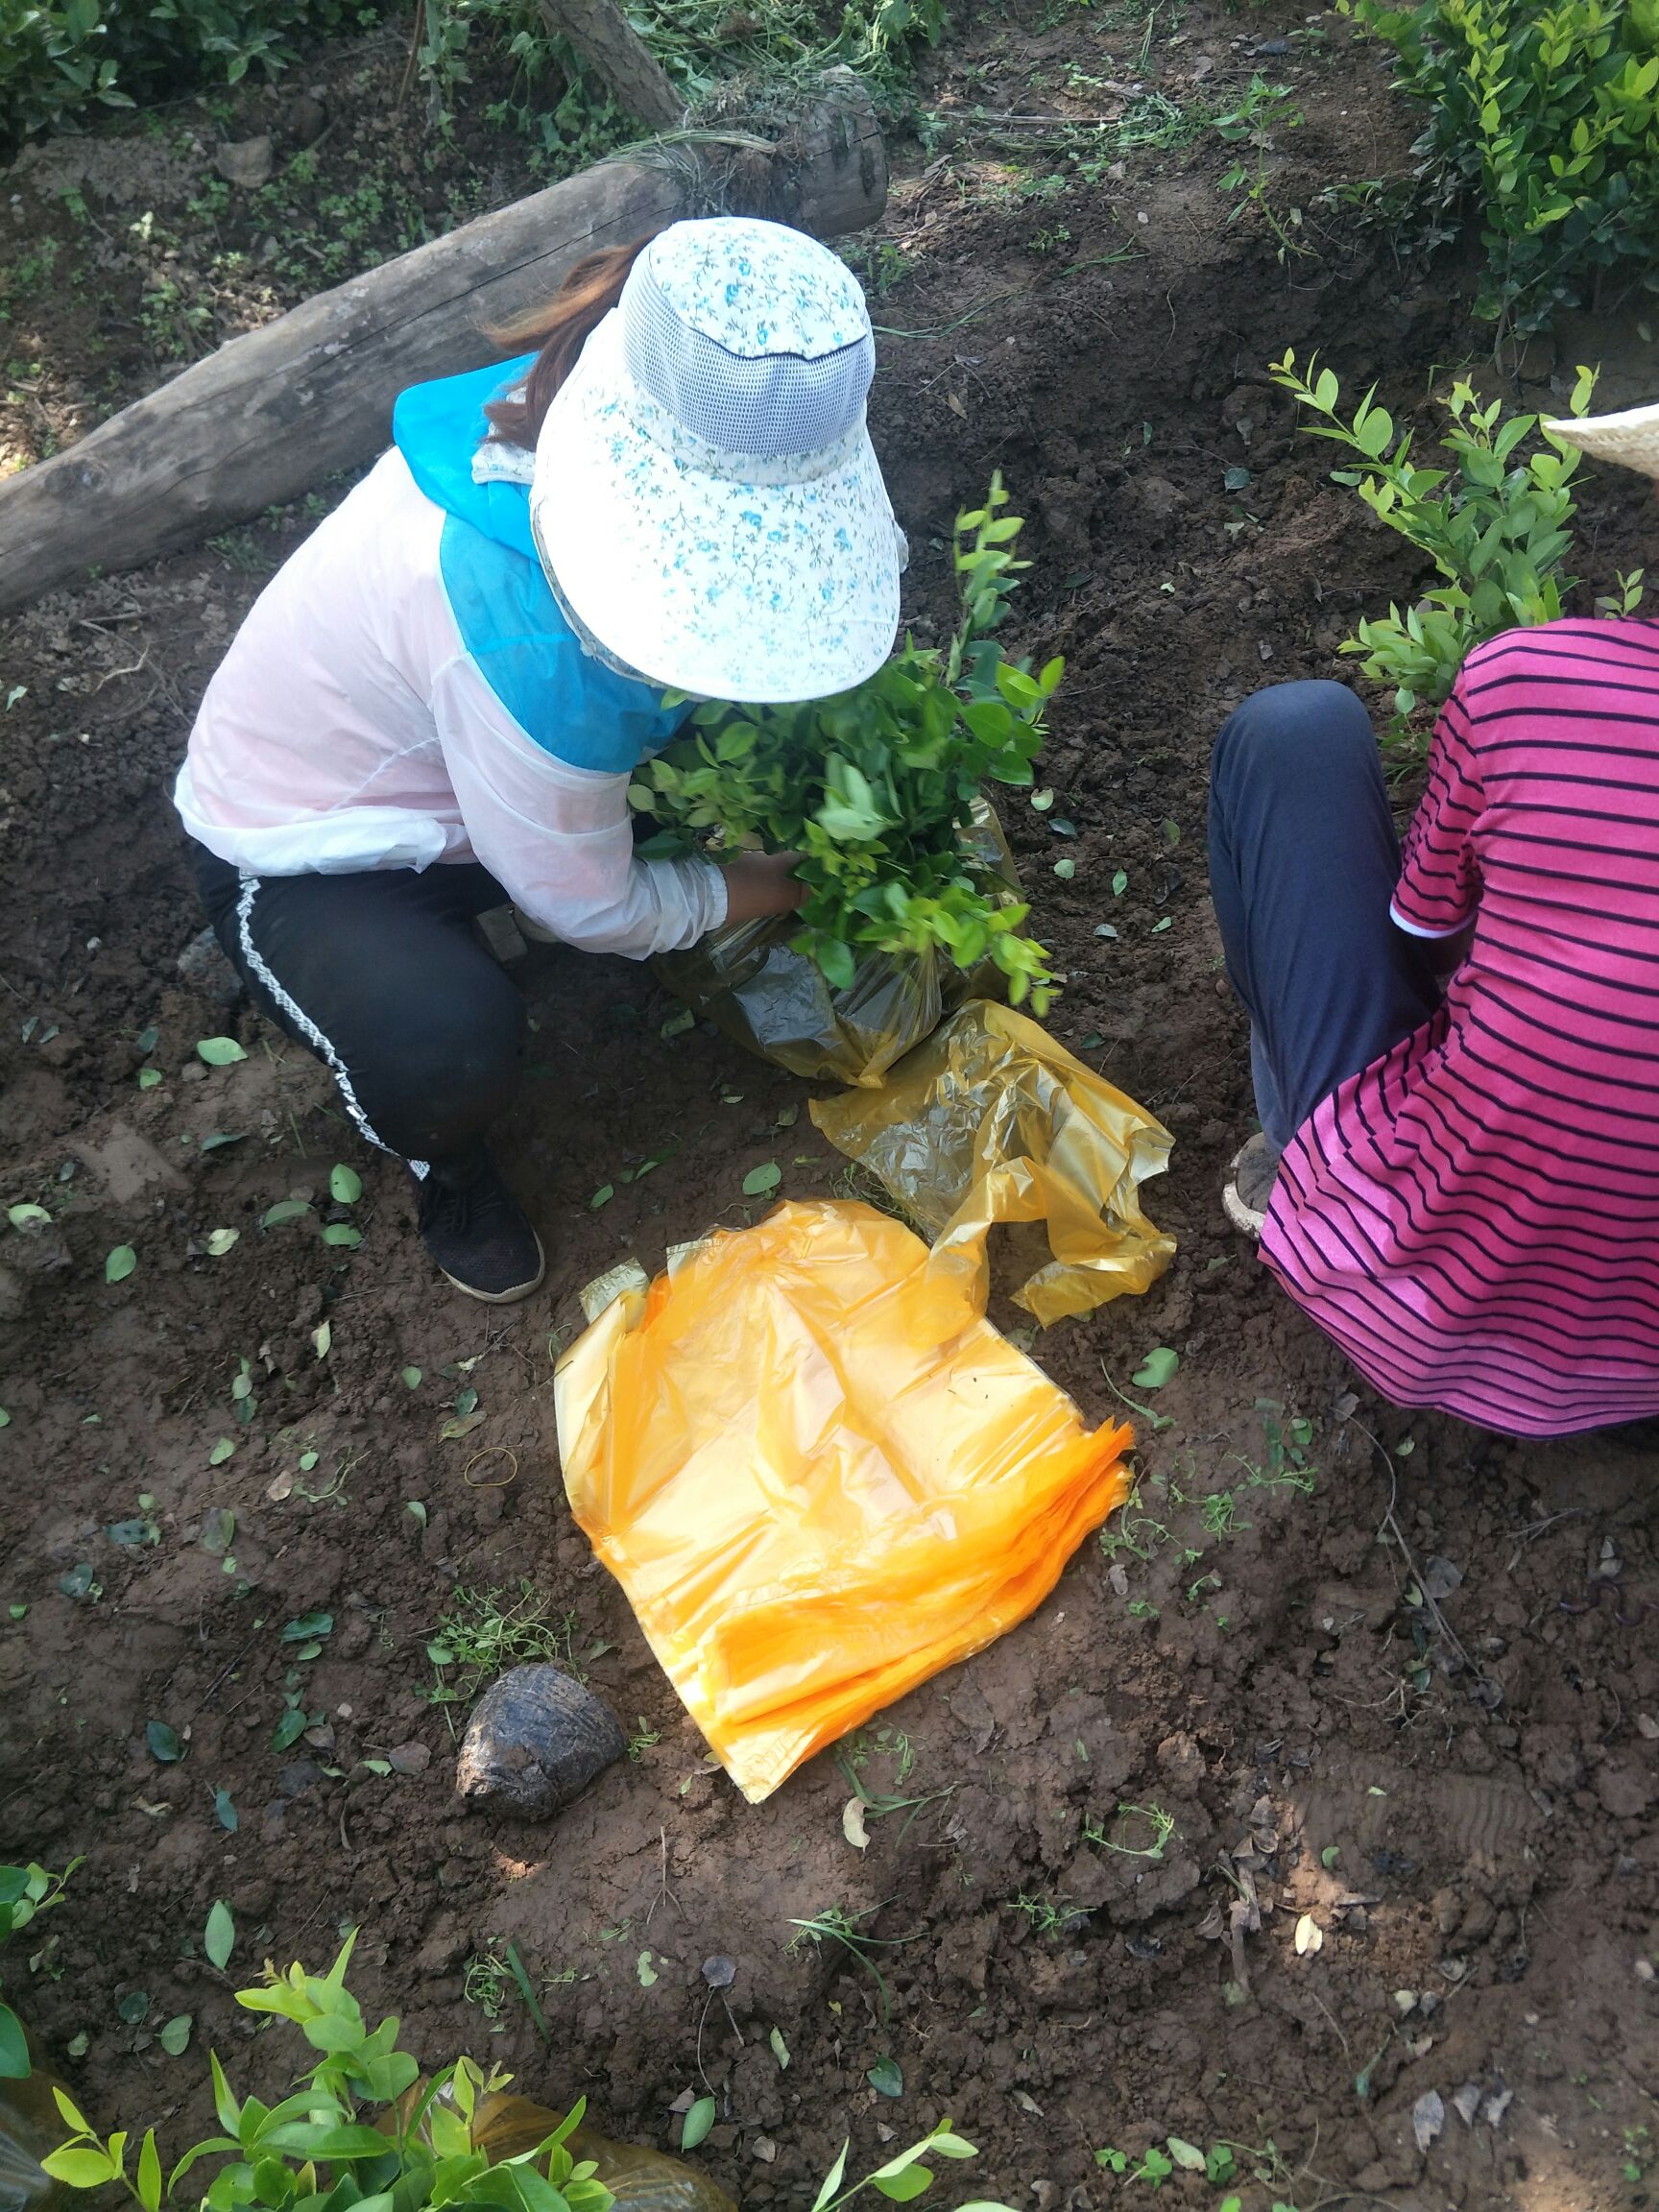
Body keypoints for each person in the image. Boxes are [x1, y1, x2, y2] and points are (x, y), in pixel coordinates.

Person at [178, 216, 905, 1303]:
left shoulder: (678, 395)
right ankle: (444, 1162)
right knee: (445, 1044)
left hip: (486, 775)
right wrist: (791, 879)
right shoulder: (525, 636)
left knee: (637, 786)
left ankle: (519, 864)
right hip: (310, 848)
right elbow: (592, 911)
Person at [1208, 395, 1659, 1439]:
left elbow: (1428, 938)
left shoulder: (1534, 679)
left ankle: (1302, 1166)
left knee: (1295, 733)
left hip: (1432, 1304)